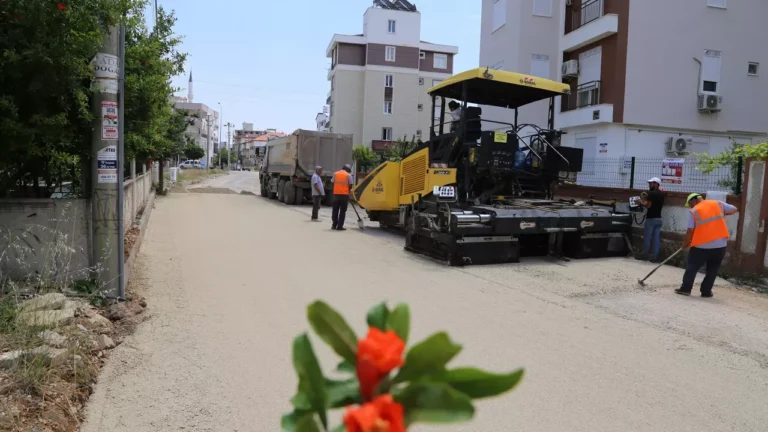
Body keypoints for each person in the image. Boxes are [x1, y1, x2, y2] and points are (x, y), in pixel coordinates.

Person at [676, 193, 739, 298]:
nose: (691, 206)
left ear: (694, 200)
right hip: (720, 245)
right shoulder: (718, 204)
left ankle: (686, 289)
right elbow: (734, 209)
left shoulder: (694, 211)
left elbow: (690, 230)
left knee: (692, 267)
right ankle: (706, 291)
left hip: (701, 246)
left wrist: (685, 244)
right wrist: (723, 214)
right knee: (713, 269)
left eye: (690, 204)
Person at [635, 177, 665, 263]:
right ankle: (655, 257)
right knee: (656, 238)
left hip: (651, 219)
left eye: (651, 183)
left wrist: (640, 202)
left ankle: (645, 255)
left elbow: (648, 206)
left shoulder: (651, 193)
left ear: (656, 184)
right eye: (649, 183)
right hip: (659, 219)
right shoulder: (662, 194)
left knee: (647, 238)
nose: (649, 185)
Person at [330, 164, 354, 231]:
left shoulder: (335, 174)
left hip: (336, 195)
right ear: (348, 170)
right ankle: (340, 226)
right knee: (342, 211)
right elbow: (350, 185)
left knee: (335, 210)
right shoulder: (348, 175)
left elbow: (332, 182)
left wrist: (335, 190)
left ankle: (334, 225)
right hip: (344, 195)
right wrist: (348, 191)